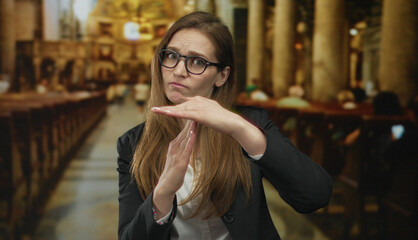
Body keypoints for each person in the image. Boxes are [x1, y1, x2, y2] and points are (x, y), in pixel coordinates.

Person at [117, 12, 332, 240]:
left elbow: (315, 196)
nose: (178, 70)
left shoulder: (250, 123)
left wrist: (240, 128)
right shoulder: (132, 143)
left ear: (222, 76)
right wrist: (163, 193)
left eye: (197, 62)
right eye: (171, 56)